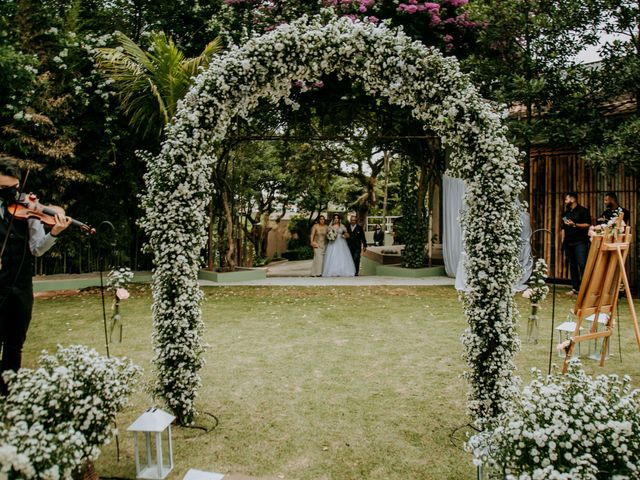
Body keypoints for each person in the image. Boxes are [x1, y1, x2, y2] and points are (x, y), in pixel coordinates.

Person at [0, 159, 72, 394]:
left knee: (15, 341)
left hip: (20, 285)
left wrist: (55, 232)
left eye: (12, 188)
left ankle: (9, 390)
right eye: (2, 189)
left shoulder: (28, 209)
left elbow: (37, 248)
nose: (9, 194)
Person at [561, 191, 591, 295]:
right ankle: (575, 288)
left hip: (580, 242)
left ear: (573, 199)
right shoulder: (565, 213)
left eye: (567, 199)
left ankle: (586, 288)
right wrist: (562, 241)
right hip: (568, 242)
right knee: (572, 265)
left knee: (582, 264)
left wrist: (575, 224)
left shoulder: (583, 211)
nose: (565, 201)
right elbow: (563, 227)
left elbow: (588, 225)